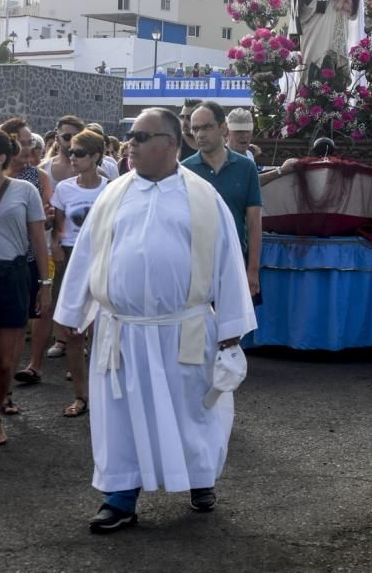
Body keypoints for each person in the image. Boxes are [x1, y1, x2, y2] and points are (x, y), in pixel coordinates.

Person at [53, 108, 256, 532]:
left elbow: (227, 263)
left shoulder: (202, 197)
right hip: (122, 329)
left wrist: (231, 333)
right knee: (120, 412)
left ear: (170, 143)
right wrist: (71, 312)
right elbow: (87, 253)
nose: (131, 144)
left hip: (184, 328)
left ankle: (200, 478)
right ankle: (121, 496)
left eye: (141, 137)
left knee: (192, 409)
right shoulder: (113, 194)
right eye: (130, 136)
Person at [0, 129, 51, 449]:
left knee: (4, 363)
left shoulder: (24, 190)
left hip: (12, 276)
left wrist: (45, 284)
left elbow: (38, 240)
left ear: (0, 156)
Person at [51, 128, 108, 417]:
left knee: (102, 331)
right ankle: (81, 396)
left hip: (102, 260)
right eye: (71, 152)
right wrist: (56, 247)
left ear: (96, 156)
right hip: (72, 258)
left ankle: (103, 394)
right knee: (73, 330)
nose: (73, 158)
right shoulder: (64, 188)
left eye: (80, 153)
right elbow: (59, 228)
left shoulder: (110, 188)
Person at [182, 101, 262, 298]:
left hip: (235, 264)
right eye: (195, 128)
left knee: (239, 329)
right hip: (196, 268)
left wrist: (252, 269)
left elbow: (253, 223)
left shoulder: (246, 168)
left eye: (207, 127)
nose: (200, 134)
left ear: (223, 128)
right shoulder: (184, 171)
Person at [0, 118, 54, 396]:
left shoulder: (37, 178)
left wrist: (46, 219)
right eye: (22, 141)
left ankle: (4, 392)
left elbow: (42, 225)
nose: (27, 147)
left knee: (17, 329)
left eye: (30, 141)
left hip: (25, 264)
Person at [41, 114, 85, 358]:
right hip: (55, 240)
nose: (70, 143)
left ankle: (83, 339)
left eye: (75, 137)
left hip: (83, 240)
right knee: (58, 291)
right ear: (57, 136)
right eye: (66, 136)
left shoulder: (102, 167)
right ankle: (60, 339)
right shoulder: (44, 169)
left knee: (86, 291)